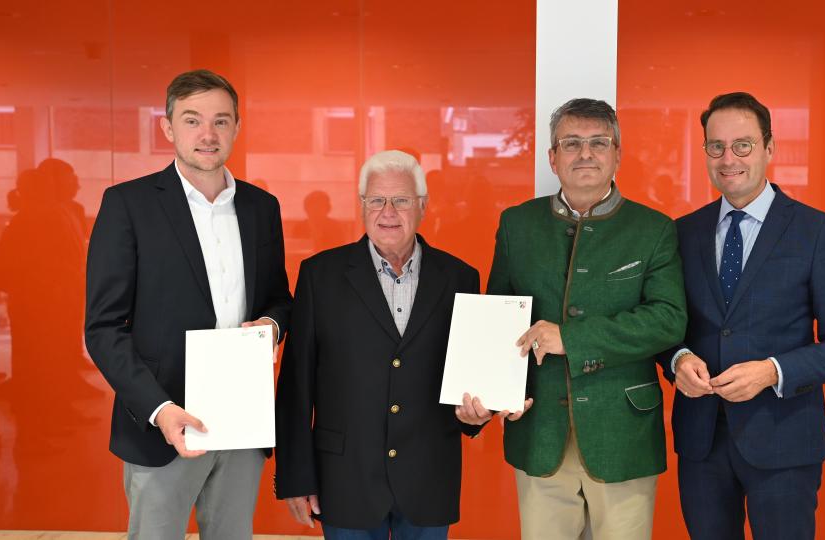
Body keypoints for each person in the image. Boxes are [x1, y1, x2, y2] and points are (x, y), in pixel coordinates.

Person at [463, 98, 687, 540]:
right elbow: (500, 316)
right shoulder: (517, 225)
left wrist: (572, 338)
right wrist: (495, 390)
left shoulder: (654, 228)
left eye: (598, 143)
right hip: (538, 430)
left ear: (617, 155)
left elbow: (667, 319)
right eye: (571, 143)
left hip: (622, 433)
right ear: (553, 157)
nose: (585, 153)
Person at [84, 69, 292, 539]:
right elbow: (103, 328)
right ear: (168, 128)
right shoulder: (128, 204)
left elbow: (279, 299)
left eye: (221, 121)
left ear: (236, 127)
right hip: (163, 422)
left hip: (242, 420)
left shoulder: (262, 207)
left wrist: (272, 325)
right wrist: (159, 409)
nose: (207, 134)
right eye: (192, 120)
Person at [662, 92, 825, 540]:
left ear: (769, 147)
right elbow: (666, 325)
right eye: (716, 146)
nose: (728, 159)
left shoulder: (815, 230)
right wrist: (677, 359)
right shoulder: (683, 232)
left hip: (784, 440)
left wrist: (772, 371)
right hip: (702, 442)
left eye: (743, 145)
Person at [275, 150, 482, 540]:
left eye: (401, 200)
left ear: (422, 206)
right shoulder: (319, 275)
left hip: (429, 476)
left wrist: (476, 415)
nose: (388, 212)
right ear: (362, 205)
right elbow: (295, 387)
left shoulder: (460, 277)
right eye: (376, 200)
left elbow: (469, 376)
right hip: (344, 477)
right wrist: (295, 477)